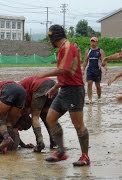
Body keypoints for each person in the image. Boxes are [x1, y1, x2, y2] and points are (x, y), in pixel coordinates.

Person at [37, 24, 90, 166]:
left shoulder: (68, 47)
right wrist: (55, 87)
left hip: (74, 90)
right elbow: (66, 73)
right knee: (50, 118)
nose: (49, 42)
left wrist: (43, 74)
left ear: (54, 38)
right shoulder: (63, 49)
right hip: (64, 90)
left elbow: (63, 70)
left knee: (78, 125)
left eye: (49, 39)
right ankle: (61, 151)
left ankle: (85, 157)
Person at [19, 76, 57, 152]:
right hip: (52, 84)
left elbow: (27, 110)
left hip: (40, 86)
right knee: (46, 116)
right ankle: (54, 141)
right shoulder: (21, 90)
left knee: (35, 117)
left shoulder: (18, 97)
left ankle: (40, 143)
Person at [82, 37, 105, 104]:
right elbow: (85, 61)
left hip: (97, 71)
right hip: (90, 70)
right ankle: (90, 100)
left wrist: (104, 66)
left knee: (98, 85)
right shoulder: (88, 51)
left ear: (97, 42)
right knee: (89, 84)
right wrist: (83, 69)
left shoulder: (100, 51)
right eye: (91, 41)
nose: (92, 43)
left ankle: (99, 98)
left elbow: (104, 61)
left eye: (94, 41)